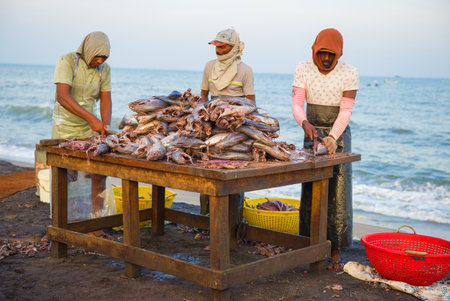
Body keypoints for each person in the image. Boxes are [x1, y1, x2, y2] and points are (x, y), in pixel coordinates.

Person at [291, 28, 359, 271]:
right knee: (310, 188)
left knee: (337, 192)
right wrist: (305, 124)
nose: (327, 59)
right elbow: (298, 104)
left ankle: (335, 249)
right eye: (323, 54)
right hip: (311, 134)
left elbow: (346, 112)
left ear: (339, 54)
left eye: (332, 55)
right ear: (314, 51)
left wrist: (331, 137)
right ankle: (310, 244)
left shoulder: (350, 73)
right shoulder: (303, 68)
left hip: (338, 137)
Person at [52, 31, 113, 220]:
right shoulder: (67, 61)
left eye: (104, 58)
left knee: (97, 173)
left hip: (89, 129)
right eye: (97, 56)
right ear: (89, 50)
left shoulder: (105, 69)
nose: (99, 61)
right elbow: (62, 96)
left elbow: (105, 99)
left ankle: (96, 219)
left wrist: (105, 125)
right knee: (66, 176)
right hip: (65, 126)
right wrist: (91, 119)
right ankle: (64, 221)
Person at [199, 28, 255, 216]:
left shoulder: (245, 70)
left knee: (234, 172)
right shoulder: (209, 66)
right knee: (208, 169)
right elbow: (204, 95)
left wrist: (242, 124)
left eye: (222, 47)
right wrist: (204, 118)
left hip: (235, 128)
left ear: (232, 48)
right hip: (212, 125)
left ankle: (233, 220)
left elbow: (251, 102)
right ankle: (206, 220)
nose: (218, 50)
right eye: (216, 46)